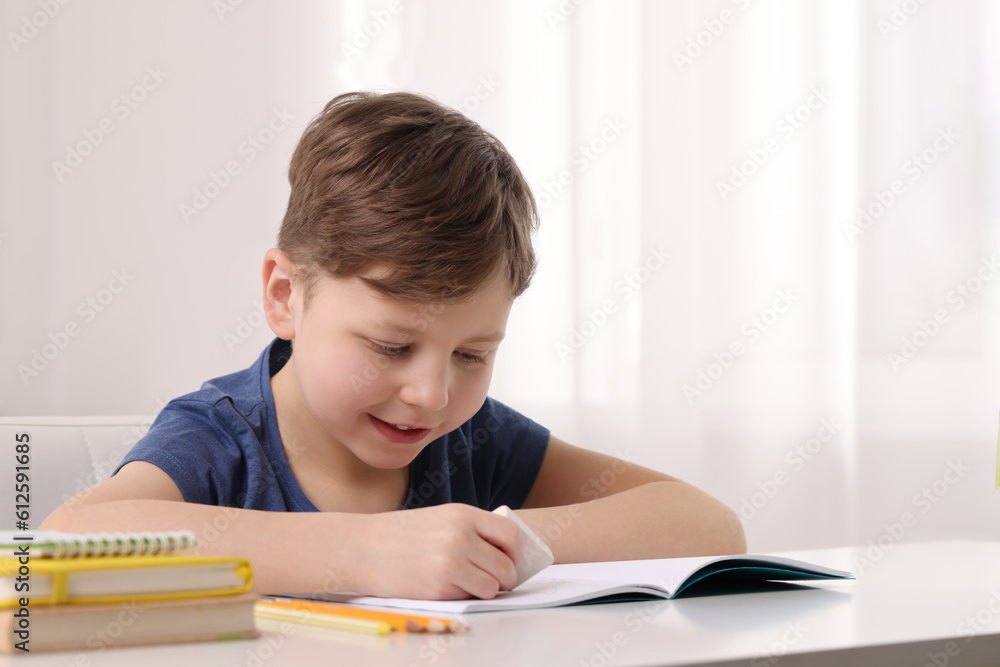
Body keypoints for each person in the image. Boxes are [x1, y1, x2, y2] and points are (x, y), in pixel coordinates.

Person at [42, 91, 745, 599]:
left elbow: (709, 524)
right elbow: (64, 544)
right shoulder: (221, 438)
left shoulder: (471, 440)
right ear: (286, 296)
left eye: (472, 355)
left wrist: (501, 541)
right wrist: (368, 551)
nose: (432, 395)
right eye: (389, 345)